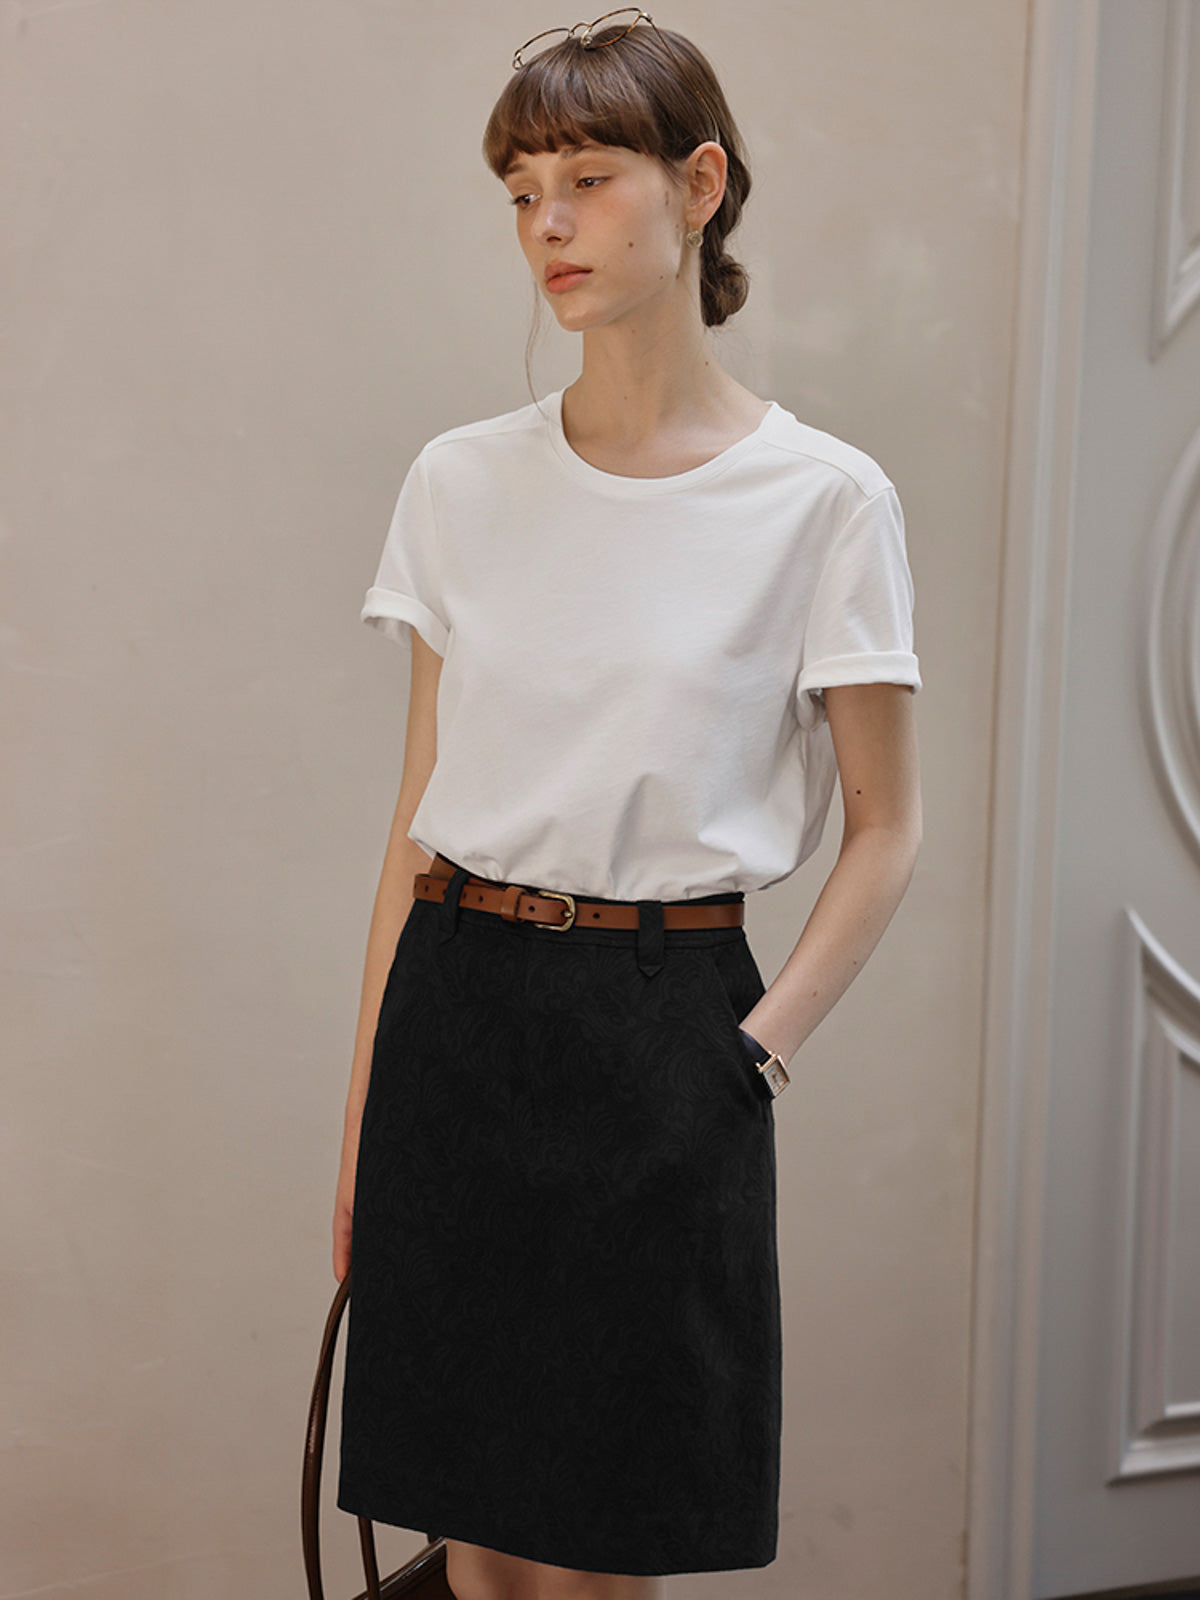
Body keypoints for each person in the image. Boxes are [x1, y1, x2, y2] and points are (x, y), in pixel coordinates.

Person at [333, 11, 923, 1600]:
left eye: (588, 178)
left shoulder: (823, 502)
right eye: (523, 192)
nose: (549, 225)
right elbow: (419, 813)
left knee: (611, 1535)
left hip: (667, 1028)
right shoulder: (460, 482)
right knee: (474, 1528)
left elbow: (887, 828)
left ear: (700, 185)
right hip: (456, 1011)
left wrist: (752, 1054)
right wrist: (366, 1112)